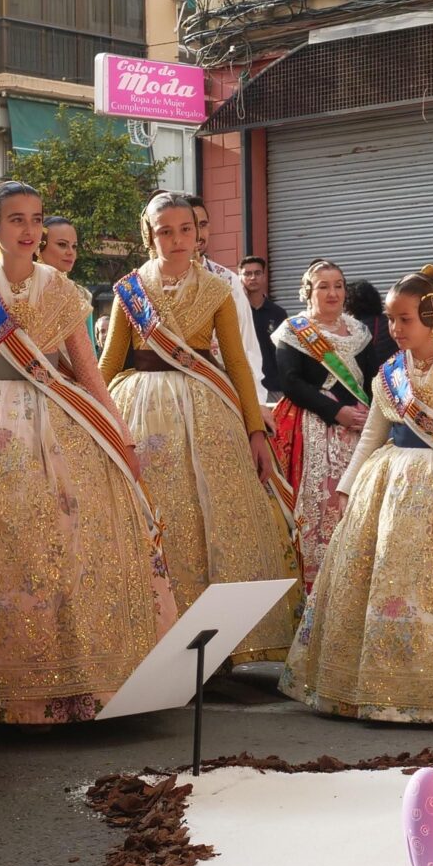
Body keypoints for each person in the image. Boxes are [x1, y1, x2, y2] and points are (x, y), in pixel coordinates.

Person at [0, 180, 174, 721]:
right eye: (17, 219)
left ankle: (75, 683)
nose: (30, 230)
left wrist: (121, 438)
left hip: (57, 429)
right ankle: (3, 692)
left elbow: (88, 374)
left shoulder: (62, 291)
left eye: (36, 219)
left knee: (63, 544)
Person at [288, 266, 433, 723]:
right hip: (391, 494)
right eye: (391, 319)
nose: (394, 329)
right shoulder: (387, 376)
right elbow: (373, 436)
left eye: (405, 320)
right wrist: (345, 487)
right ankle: (381, 689)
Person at [99, 192, 301, 653]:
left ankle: (217, 644)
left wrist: (255, 430)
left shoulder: (217, 289)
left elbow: (235, 361)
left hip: (208, 409)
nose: (176, 239)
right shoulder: (129, 289)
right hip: (140, 405)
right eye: (164, 231)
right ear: (149, 235)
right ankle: (156, 633)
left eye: (185, 230)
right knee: (156, 515)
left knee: (214, 517)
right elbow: (109, 361)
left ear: (197, 233)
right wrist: (89, 413)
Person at [269, 260, 392, 591]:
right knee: (320, 507)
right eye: (323, 286)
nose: (332, 292)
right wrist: (335, 412)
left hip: (359, 430)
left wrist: (371, 412)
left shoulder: (359, 332)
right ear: (308, 292)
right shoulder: (293, 331)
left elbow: (372, 379)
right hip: (312, 429)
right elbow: (291, 382)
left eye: (338, 285)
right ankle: (316, 585)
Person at [187, 195, 261, 368]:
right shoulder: (152, 281)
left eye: (203, 225)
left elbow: (248, 348)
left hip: (221, 386)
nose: (198, 233)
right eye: (188, 226)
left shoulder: (228, 281)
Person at [238, 253, 288, 390]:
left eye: (257, 273)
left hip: (274, 386)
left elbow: (285, 353)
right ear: (239, 278)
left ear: (264, 276)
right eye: (247, 274)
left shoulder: (278, 313)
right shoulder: (236, 313)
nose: (253, 277)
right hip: (244, 386)